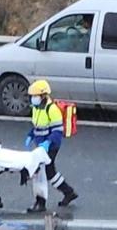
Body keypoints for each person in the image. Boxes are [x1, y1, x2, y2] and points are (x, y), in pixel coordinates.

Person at [25, 79, 78, 212]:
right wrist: (31, 135)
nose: (33, 99)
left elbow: (57, 130)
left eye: (35, 96)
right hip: (41, 145)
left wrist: (48, 143)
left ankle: (41, 202)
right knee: (49, 172)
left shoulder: (52, 109)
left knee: (40, 171)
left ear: (43, 96)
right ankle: (68, 192)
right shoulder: (37, 109)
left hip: (50, 145)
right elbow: (37, 125)